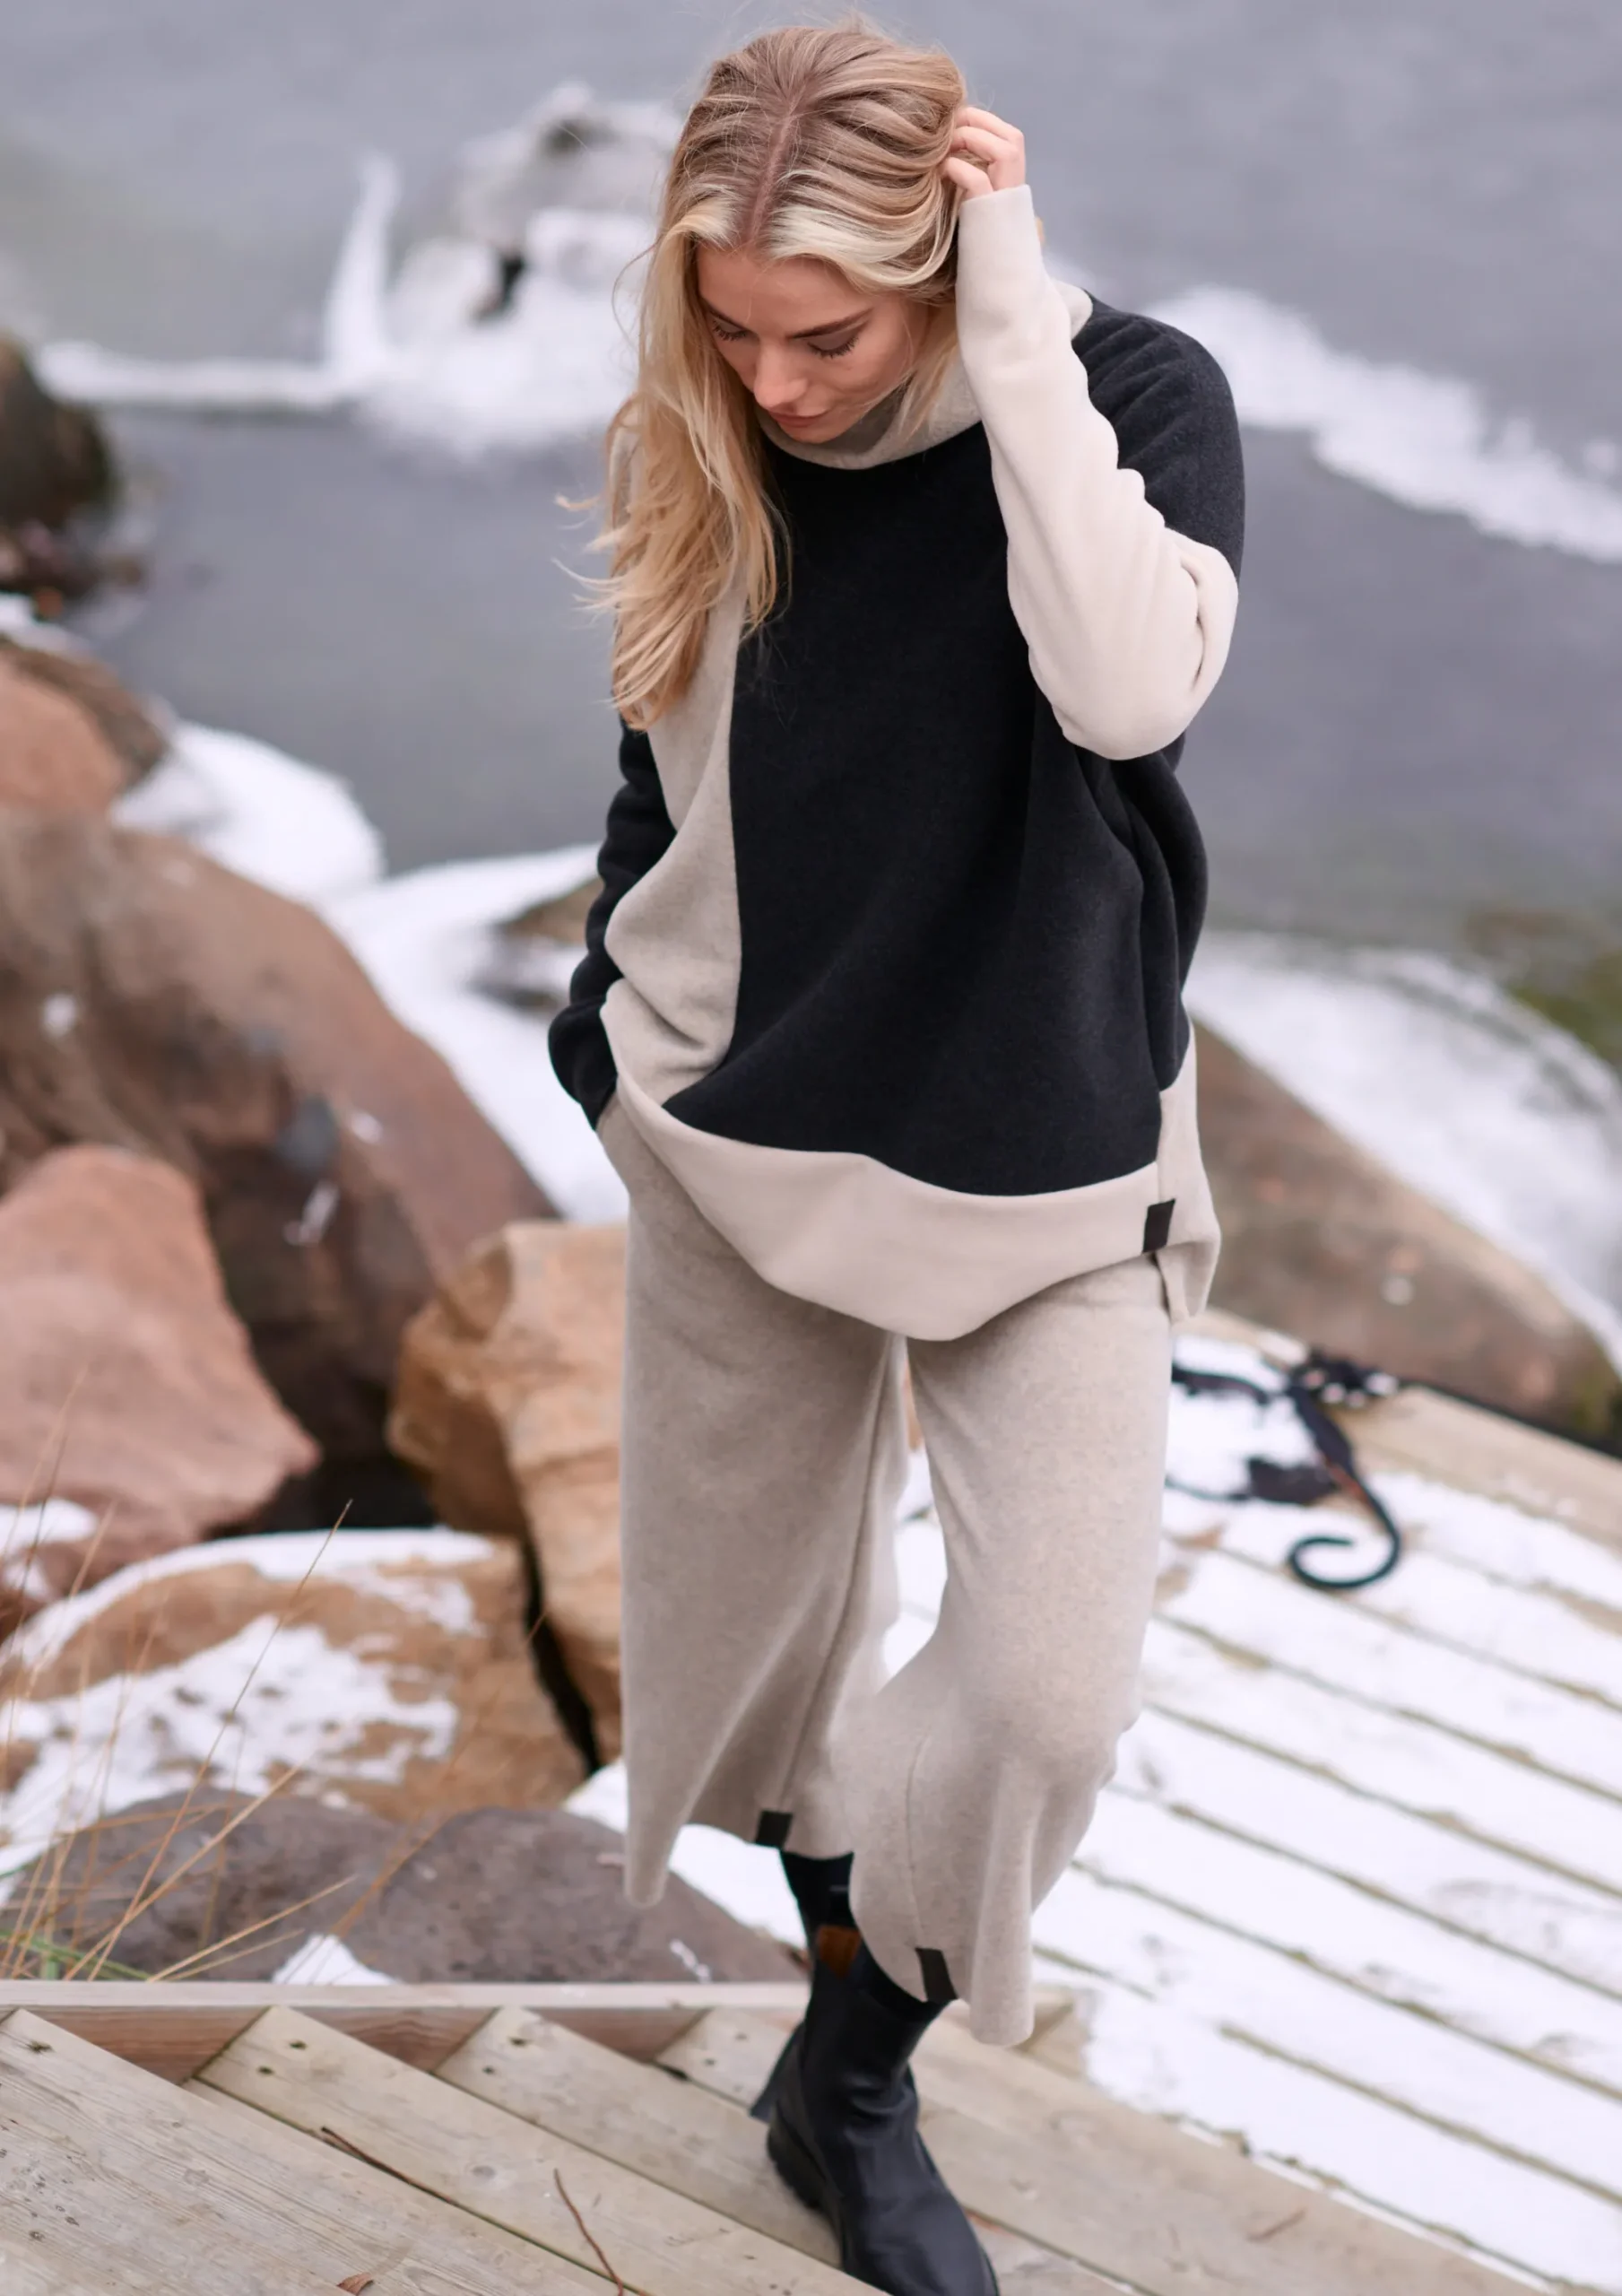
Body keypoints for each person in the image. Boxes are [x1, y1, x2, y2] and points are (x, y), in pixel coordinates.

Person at [549, 20, 1244, 2293]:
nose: (777, 386)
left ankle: (848, 2076)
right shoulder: (704, 421)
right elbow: (663, 759)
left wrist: (1014, 324)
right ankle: (843, 2059)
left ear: (946, 268)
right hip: (735, 1124)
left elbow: (1125, 687)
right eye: (732, 332)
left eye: (825, 337)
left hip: (1045, 1152)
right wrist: (604, 1030)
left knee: (1042, 1696)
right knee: (762, 1664)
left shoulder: (1126, 398)